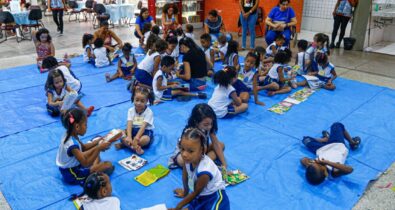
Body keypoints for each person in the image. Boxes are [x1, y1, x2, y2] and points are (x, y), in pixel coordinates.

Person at [169, 128, 230, 210]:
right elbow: (185, 176)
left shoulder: (204, 171)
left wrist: (178, 206)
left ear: (202, 150)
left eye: (190, 151)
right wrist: (185, 192)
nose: (184, 154)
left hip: (214, 197)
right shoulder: (188, 160)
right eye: (182, 149)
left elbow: (195, 192)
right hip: (200, 196)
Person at [56, 108, 114, 185]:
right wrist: (98, 148)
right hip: (73, 174)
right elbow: (85, 163)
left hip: (76, 163)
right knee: (108, 165)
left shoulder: (70, 133)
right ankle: (93, 171)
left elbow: (83, 148)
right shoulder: (71, 145)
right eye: (85, 124)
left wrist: (98, 141)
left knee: (95, 140)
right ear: (77, 127)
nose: (87, 127)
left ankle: (94, 168)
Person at [168, 103, 227, 170]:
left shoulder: (208, 127)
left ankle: (204, 163)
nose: (210, 127)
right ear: (196, 122)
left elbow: (216, 144)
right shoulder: (192, 133)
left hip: (200, 151)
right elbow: (190, 153)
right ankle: (203, 164)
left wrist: (224, 165)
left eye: (211, 123)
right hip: (187, 155)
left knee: (221, 145)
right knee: (186, 161)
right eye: (206, 124)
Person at [115, 87, 154, 155]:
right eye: (137, 100)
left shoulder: (149, 112)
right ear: (133, 99)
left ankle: (125, 145)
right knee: (119, 132)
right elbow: (129, 123)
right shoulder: (131, 110)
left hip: (144, 132)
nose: (139, 103)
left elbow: (143, 126)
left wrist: (137, 138)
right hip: (133, 130)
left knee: (146, 139)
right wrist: (129, 136)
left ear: (146, 101)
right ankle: (135, 147)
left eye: (142, 101)